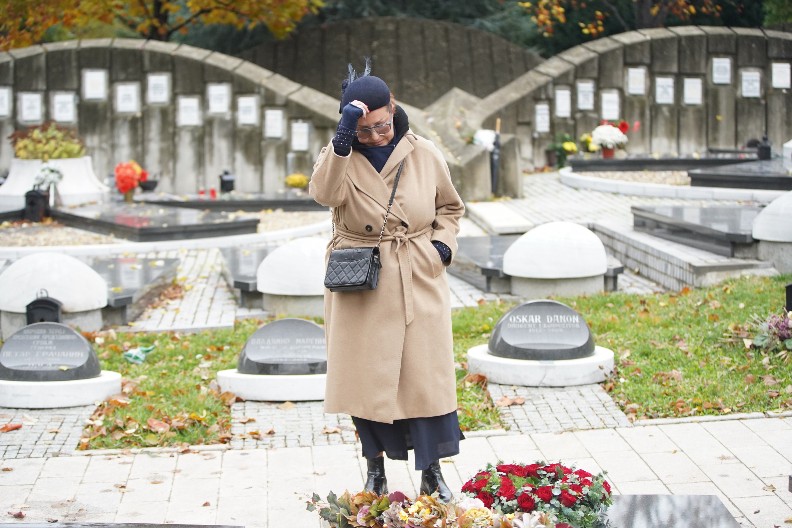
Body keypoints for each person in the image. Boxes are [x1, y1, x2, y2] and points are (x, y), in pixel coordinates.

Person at [309, 62, 465, 503]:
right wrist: (342, 141)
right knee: (367, 381)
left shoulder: (424, 152)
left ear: (393, 108)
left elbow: (450, 210)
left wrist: (441, 250)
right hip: (362, 279)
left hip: (416, 272)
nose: (376, 137)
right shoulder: (339, 156)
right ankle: (374, 471)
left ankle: (432, 473)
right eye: (364, 132)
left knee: (425, 379)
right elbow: (324, 195)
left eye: (381, 126)